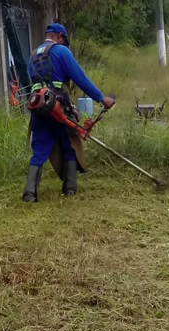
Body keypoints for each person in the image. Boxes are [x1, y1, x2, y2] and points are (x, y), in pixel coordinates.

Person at [23, 23, 115, 202]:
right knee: (70, 144)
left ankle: (29, 193)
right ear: (59, 36)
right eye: (63, 40)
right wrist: (101, 98)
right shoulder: (61, 52)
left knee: (40, 149)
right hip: (59, 107)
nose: (64, 43)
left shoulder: (32, 56)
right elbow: (80, 78)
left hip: (39, 107)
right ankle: (70, 189)